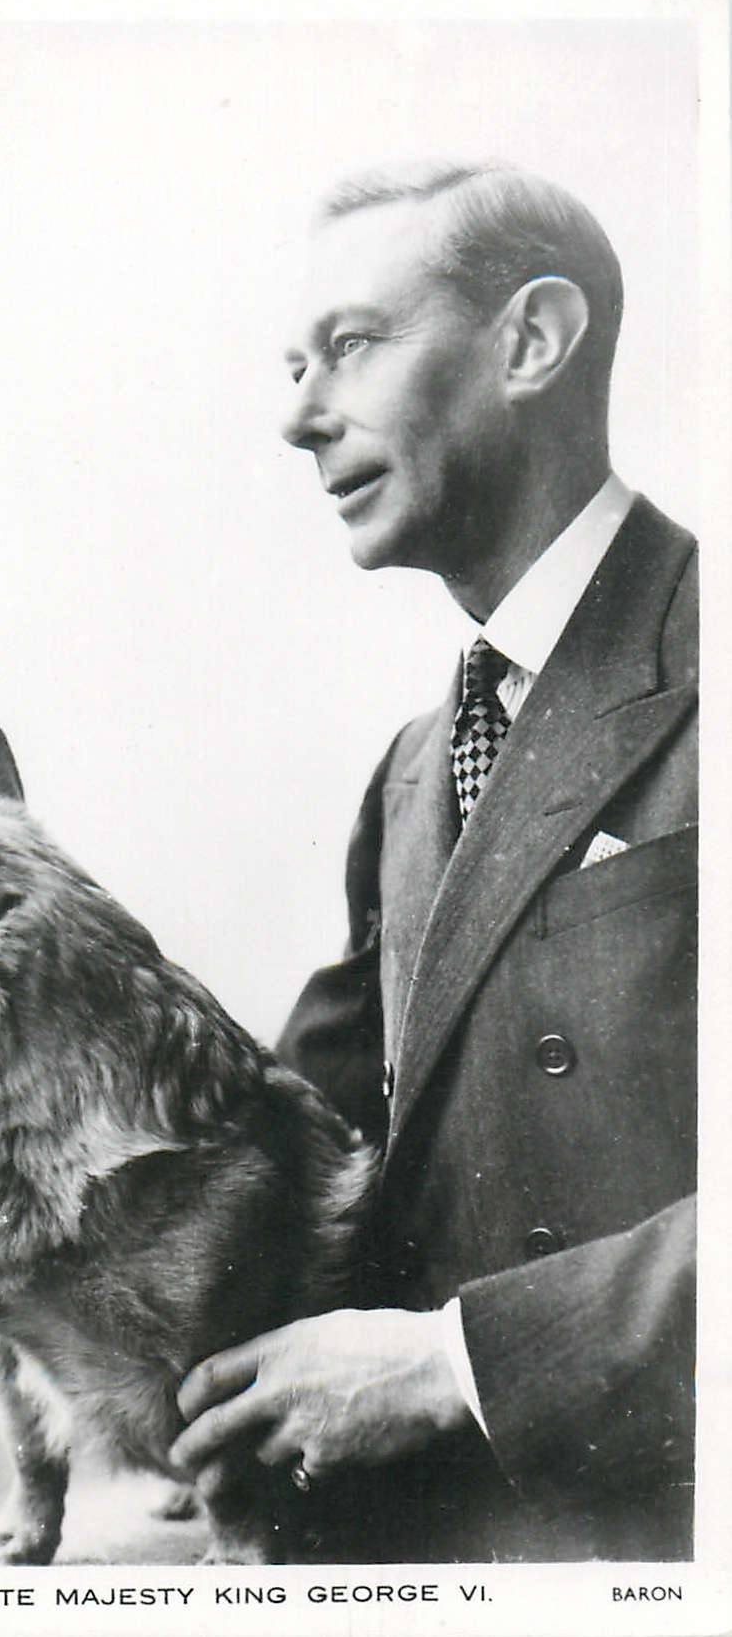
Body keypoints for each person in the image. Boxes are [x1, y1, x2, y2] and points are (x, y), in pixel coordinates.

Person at [169, 161, 697, 1563]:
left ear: (531, 343)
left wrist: (461, 1367)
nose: (297, 417)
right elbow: (288, 1145)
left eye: (349, 344)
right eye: (293, 366)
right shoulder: (413, 772)